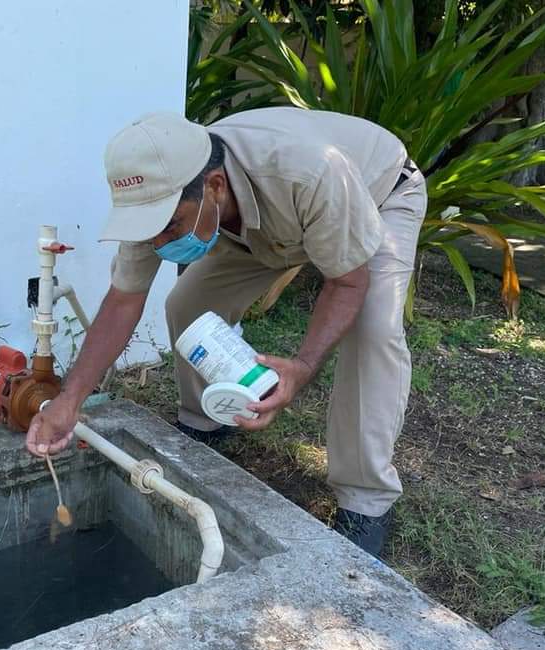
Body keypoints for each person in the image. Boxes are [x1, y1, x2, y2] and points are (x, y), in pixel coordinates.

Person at [26, 109, 427, 557]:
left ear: (214, 186)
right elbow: (123, 301)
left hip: (376, 195)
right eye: (150, 231)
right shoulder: (161, 193)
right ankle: (206, 422)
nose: (159, 244)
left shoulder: (309, 171)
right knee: (187, 304)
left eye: (169, 227)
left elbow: (348, 282)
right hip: (254, 228)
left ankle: (365, 500)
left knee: (373, 330)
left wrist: (302, 367)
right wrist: (69, 401)